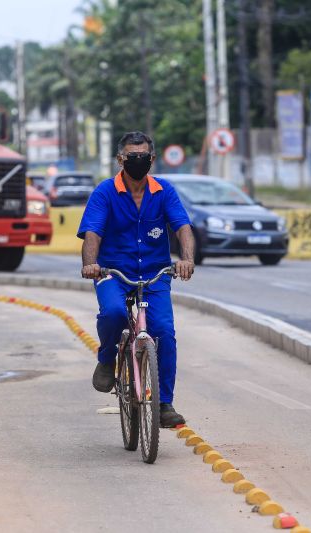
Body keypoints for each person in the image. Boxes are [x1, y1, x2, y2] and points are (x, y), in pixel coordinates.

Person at [78, 131, 196, 428]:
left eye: (144, 157)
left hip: (155, 274)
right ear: (121, 159)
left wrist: (187, 258)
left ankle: (165, 403)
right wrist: (91, 264)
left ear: (152, 159)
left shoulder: (164, 191)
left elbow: (183, 228)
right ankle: (107, 359)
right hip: (112, 272)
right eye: (132, 157)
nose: (138, 161)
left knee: (164, 332)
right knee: (114, 313)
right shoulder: (105, 192)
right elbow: (92, 232)